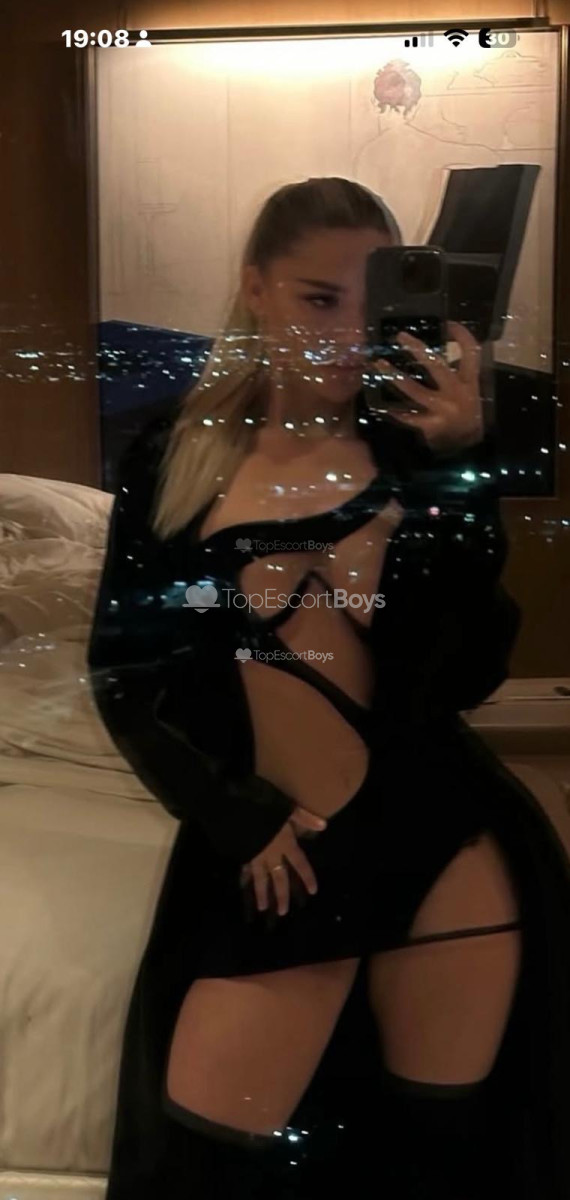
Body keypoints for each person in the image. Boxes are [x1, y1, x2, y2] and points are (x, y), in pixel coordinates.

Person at [87, 177, 570, 1199]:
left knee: (446, 1166)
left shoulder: (418, 454)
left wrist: (456, 476)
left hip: (443, 846)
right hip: (285, 856)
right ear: (256, 287)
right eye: (318, 299)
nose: (347, 335)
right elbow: (125, 671)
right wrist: (232, 810)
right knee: (207, 1165)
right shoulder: (176, 454)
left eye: (370, 304)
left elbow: (462, 673)